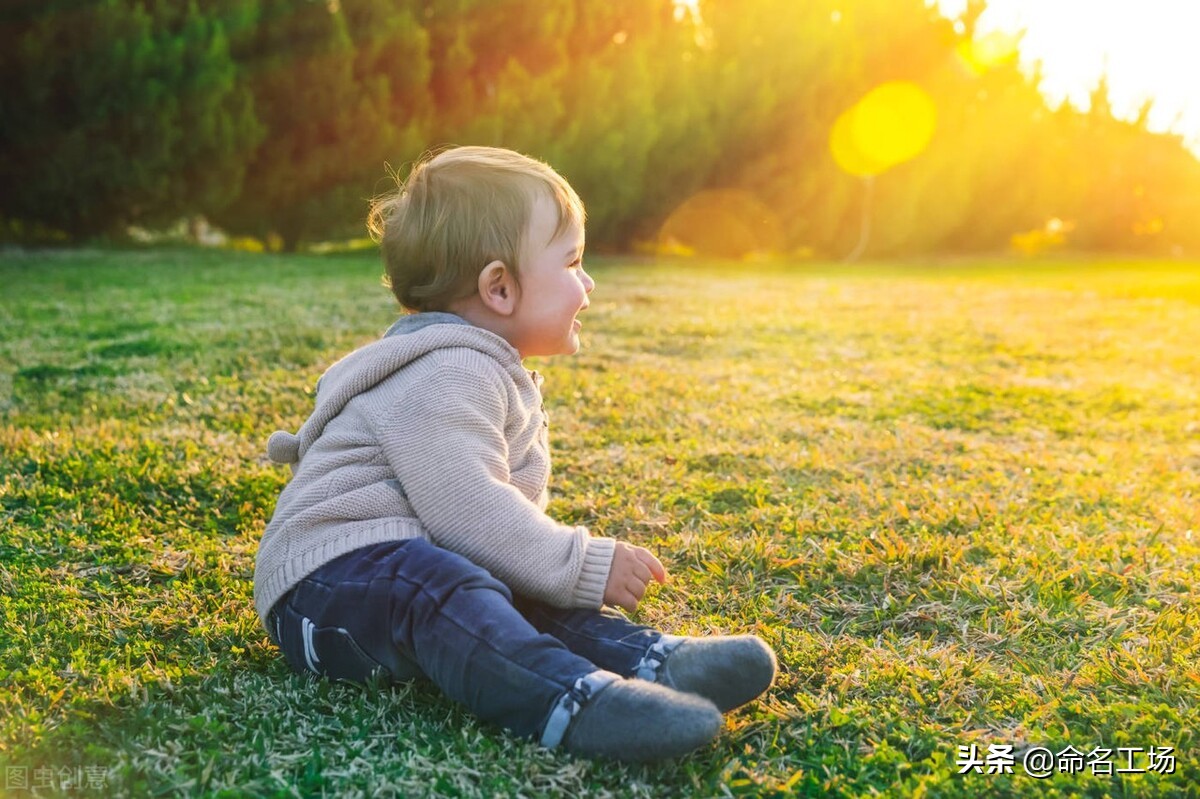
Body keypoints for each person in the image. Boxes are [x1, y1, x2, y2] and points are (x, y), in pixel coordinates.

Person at [253, 145, 776, 762]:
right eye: (574, 262)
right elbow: (469, 510)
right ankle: (571, 703)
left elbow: (487, 541)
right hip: (327, 591)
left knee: (506, 587)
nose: (589, 283)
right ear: (499, 288)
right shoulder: (448, 372)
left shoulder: (479, 364)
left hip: (383, 580)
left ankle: (650, 661)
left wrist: (544, 571)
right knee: (440, 583)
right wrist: (579, 561)